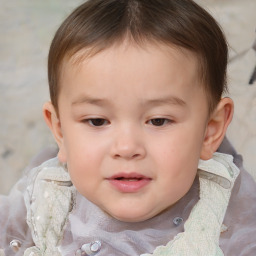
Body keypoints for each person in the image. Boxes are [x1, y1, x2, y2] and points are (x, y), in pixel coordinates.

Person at [1, 0, 256, 255]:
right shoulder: (43, 198)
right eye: (97, 121)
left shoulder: (231, 219)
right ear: (60, 131)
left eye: (158, 121)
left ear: (210, 130)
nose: (126, 147)